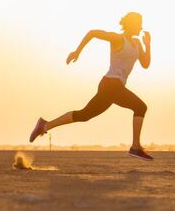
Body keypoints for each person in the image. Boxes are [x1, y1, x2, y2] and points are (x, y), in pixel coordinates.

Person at [29, 12, 153, 160]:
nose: (141, 27)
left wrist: (147, 45)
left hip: (115, 87)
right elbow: (92, 33)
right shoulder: (117, 38)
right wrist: (77, 52)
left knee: (84, 115)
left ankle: (44, 126)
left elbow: (145, 64)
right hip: (110, 84)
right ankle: (135, 147)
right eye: (139, 23)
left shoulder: (137, 44)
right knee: (140, 107)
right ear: (132, 24)